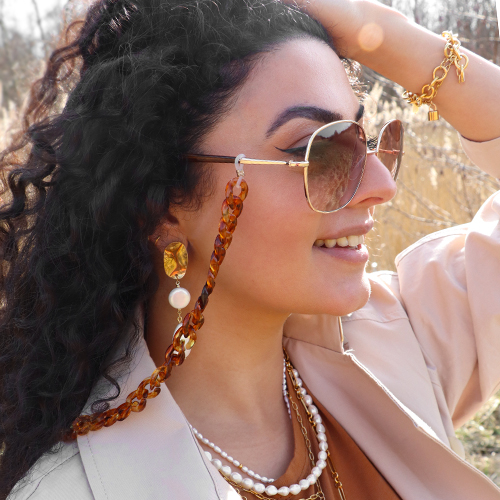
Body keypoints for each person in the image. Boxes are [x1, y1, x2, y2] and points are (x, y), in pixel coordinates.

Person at [1, 0, 499, 498]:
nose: (382, 185)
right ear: (163, 204)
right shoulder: (70, 491)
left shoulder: (394, 345)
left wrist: (382, 32)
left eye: (365, 140)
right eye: (317, 149)